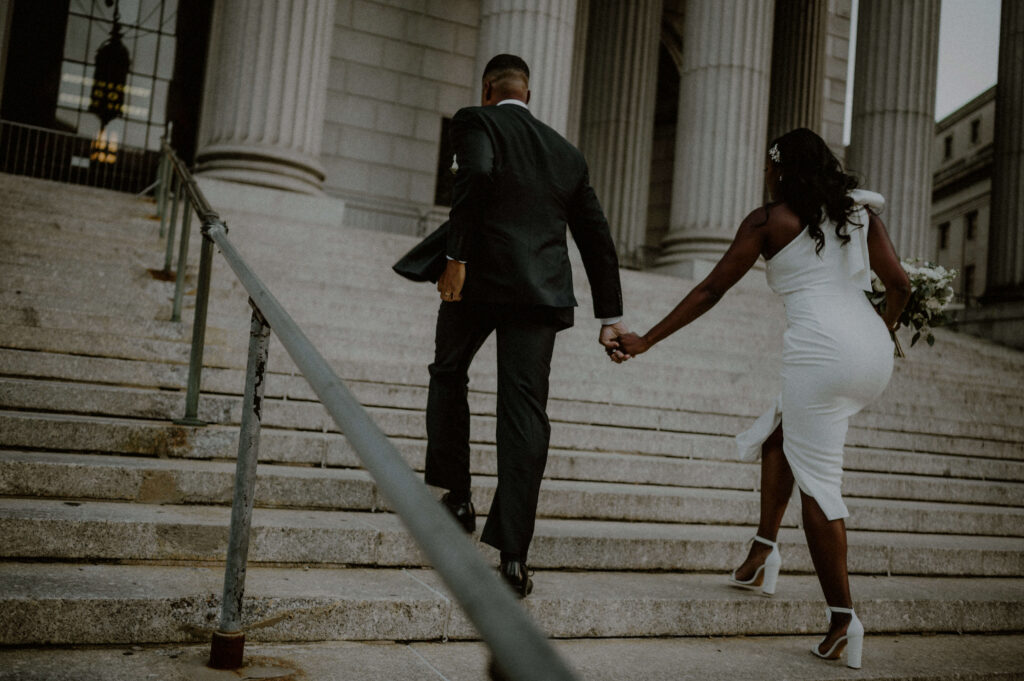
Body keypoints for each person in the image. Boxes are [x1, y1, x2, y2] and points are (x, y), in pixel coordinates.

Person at [617, 128, 911, 669]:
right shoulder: (861, 216)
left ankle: (843, 621)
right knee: (784, 429)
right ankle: (762, 552)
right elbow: (901, 286)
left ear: (779, 168)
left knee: (820, 486)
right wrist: (879, 336)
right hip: (870, 353)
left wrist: (646, 339)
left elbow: (711, 289)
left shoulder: (768, 219)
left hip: (820, 354)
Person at [427, 54, 630, 597]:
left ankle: (460, 496)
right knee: (525, 415)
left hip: (477, 282)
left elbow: (473, 174)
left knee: (449, 372)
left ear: (489, 88)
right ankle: (514, 556)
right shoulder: (566, 152)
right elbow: (596, 237)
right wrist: (609, 317)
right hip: (539, 293)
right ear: (530, 95)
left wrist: (456, 256)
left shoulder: (476, 119)